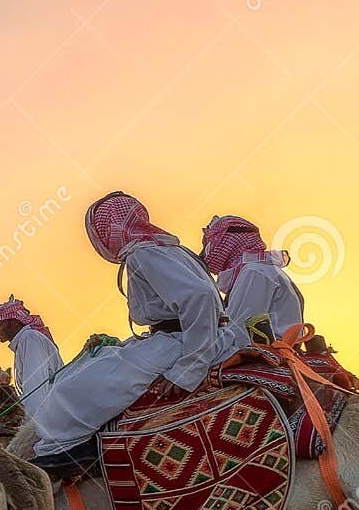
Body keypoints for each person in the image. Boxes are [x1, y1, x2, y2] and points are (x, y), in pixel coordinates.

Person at [30, 192, 246, 472]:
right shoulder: (169, 249)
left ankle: (64, 454)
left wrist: (188, 369)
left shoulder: (144, 253)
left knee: (68, 392)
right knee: (92, 363)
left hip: (181, 342)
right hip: (192, 336)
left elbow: (200, 297)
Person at [201, 215, 304, 342]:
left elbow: (239, 330)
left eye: (211, 242)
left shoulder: (255, 272)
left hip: (269, 354)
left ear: (230, 242)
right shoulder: (256, 270)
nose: (207, 250)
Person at [0, 296, 62, 423]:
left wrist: (29, 427)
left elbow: (35, 388)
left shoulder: (30, 339)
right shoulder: (24, 341)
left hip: (50, 418)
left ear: (14, 322)